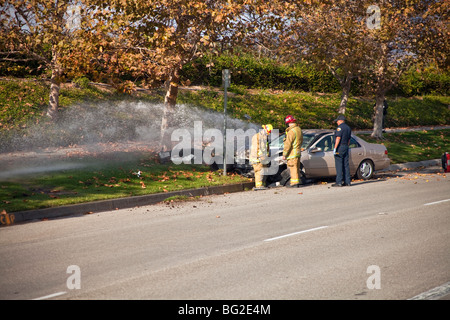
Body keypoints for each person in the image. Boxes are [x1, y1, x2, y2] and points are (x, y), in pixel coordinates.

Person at [250, 124, 273, 190]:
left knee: (263, 172)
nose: (268, 134)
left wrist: (266, 156)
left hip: (263, 158)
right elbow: (255, 148)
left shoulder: (264, 137)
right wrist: (259, 156)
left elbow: (266, 148)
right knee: (259, 172)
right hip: (257, 159)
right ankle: (259, 186)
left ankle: (262, 185)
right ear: (264, 129)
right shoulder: (257, 136)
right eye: (268, 132)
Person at [282, 115, 303, 188]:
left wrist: (284, 154)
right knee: (296, 168)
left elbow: (288, 144)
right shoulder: (298, 129)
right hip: (297, 152)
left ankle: (294, 183)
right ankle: (298, 181)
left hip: (292, 153)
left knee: (292, 168)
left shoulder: (291, 131)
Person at [333, 114, 352, 187]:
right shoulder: (348, 128)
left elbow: (338, 138)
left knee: (339, 165)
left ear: (340, 121)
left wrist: (335, 148)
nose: (337, 122)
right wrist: (347, 146)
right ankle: (347, 182)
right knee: (346, 165)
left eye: (337, 121)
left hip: (340, 147)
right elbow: (349, 139)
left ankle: (339, 182)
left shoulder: (339, 128)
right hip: (346, 147)